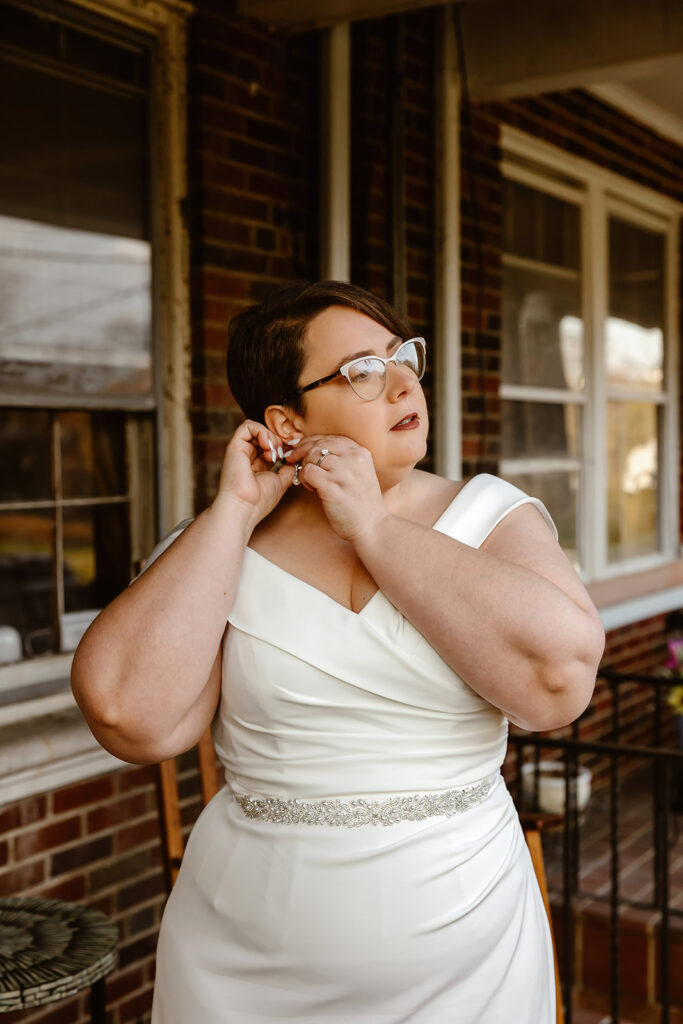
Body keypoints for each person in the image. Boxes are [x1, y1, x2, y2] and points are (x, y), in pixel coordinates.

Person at [72, 280, 605, 1023]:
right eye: (361, 371)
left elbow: (559, 683)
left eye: (401, 358)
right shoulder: (223, 546)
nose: (400, 382)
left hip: (467, 962)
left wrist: (375, 530)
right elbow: (128, 715)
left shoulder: (489, 515)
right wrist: (233, 510)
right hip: (240, 969)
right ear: (287, 419)